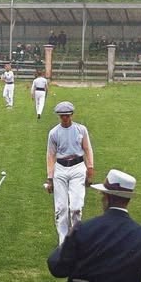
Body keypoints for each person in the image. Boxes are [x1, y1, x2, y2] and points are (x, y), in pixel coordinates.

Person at [46, 101, 94, 244]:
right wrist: (50, 178)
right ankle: (63, 243)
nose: (65, 118)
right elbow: (50, 155)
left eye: (67, 115)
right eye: (62, 116)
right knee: (61, 209)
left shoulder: (81, 130)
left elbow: (87, 149)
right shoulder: (54, 133)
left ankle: (76, 238)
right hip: (60, 169)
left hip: (78, 167)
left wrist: (90, 168)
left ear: (71, 115)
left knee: (76, 207)